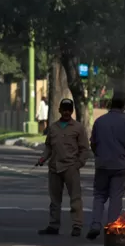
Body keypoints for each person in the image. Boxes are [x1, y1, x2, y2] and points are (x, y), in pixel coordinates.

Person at [87, 91, 125, 240]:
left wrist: (99, 155)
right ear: (124, 105)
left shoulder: (100, 121)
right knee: (116, 198)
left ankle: (95, 224)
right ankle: (111, 228)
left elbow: (93, 143)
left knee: (99, 195)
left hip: (102, 165)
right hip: (121, 166)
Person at [37, 98, 89, 237]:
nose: (66, 112)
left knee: (75, 199)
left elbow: (85, 149)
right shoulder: (53, 127)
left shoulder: (78, 128)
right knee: (55, 199)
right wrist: (42, 158)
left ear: (71, 111)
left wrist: (79, 164)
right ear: (59, 110)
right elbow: (49, 146)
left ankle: (77, 225)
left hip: (71, 167)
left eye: (69, 109)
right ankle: (53, 225)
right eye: (64, 109)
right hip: (54, 168)